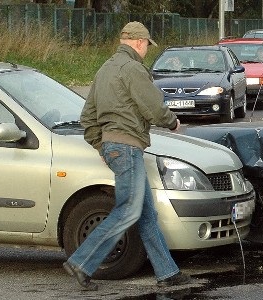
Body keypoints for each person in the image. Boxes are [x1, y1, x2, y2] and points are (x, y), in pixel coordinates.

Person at [64, 21, 190, 291]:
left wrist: (102, 145)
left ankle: (167, 272)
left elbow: (88, 117)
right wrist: (172, 122)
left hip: (116, 145)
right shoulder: (133, 69)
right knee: (128, 210)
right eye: (146, 46)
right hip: (128, 146)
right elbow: (154, 107)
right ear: (139, 42)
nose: (146, 50)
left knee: (145, 213)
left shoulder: (104, 69)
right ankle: (82, 262)